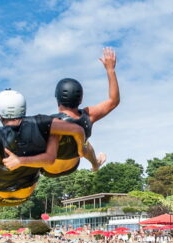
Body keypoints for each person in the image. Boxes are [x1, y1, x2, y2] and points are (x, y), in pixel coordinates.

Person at [42, 47, 120, 177]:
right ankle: (95, 165)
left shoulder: (49, 122)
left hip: (48, 170)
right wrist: (110, 70)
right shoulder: (88, 116)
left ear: (57, 98)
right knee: (84, 143)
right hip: (71, 165)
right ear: (81, 98)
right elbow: (114, 101)